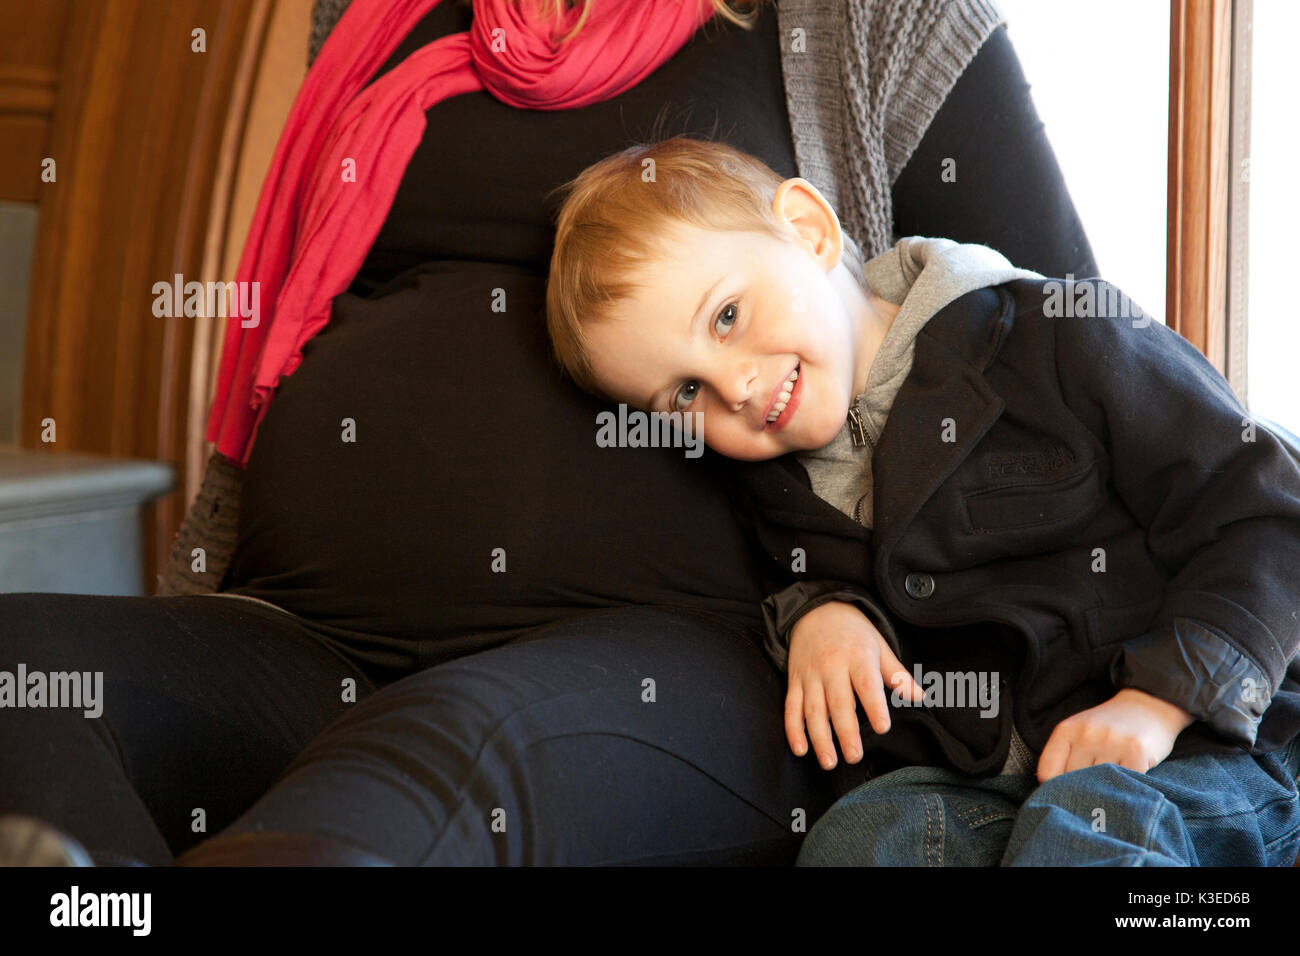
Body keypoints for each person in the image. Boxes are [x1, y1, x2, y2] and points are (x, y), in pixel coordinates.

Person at [0, 0, 1111, 866]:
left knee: (445, 750)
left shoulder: (860, 24)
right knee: (23, 668)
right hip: (308, 633)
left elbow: (1061, 360)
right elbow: (298, 319)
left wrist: (867, 609)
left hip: (684, 659)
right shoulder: (373, 19)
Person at [543, 134, 1300, 865]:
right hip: (996, 782)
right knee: (860, 840)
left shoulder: (1061, 334)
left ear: (808, 232)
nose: (733, 387)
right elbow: (809, 576)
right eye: (684, 392)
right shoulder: (772, 489)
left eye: (728, 316)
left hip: (1210, 741)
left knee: (1089, 826)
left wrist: (1159, 703)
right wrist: (821, 616)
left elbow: (1266, 514)